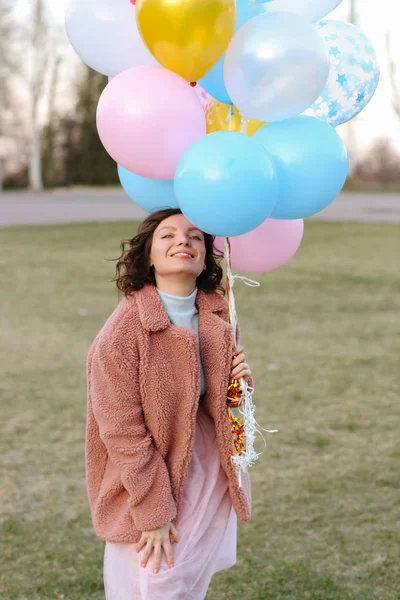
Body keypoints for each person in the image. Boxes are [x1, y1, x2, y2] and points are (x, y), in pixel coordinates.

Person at [85, 208, 254, 599]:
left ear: (205, 256)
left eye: (195, 236)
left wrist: (240, 383)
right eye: (168, 235)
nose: (184, 241)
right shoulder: (123, 333)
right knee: (155, 581)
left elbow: (227, 408)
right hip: (149, 477)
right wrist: (154, 512)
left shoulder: (217, 314)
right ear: (148, 257)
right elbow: (122, 433)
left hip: (205, 468)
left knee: (187, 583)